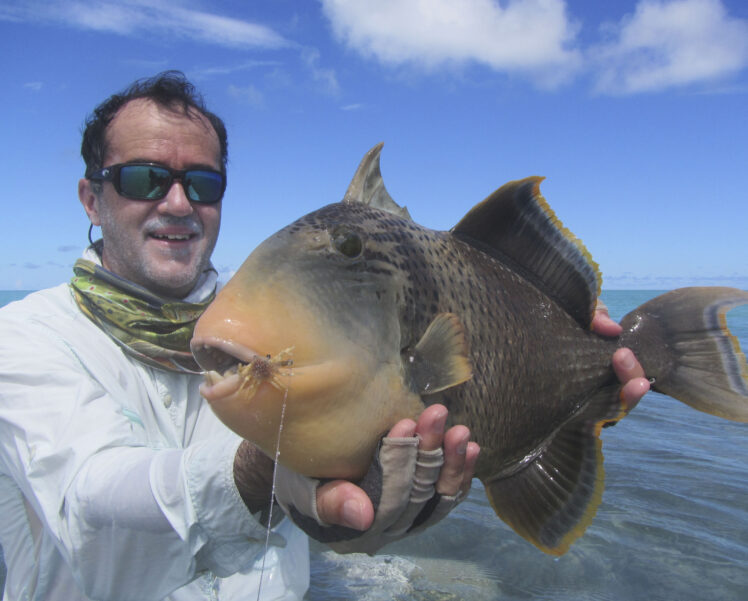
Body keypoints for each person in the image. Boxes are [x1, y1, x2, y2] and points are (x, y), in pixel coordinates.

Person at [0, 72, 649, 601]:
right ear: (90, 198)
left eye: (202, 183)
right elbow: (90, 490)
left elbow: (337, 493)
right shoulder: (27, 337)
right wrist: (264, 471)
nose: (177, 202)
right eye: (144, 178)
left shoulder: (287, 327)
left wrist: (555, 364)